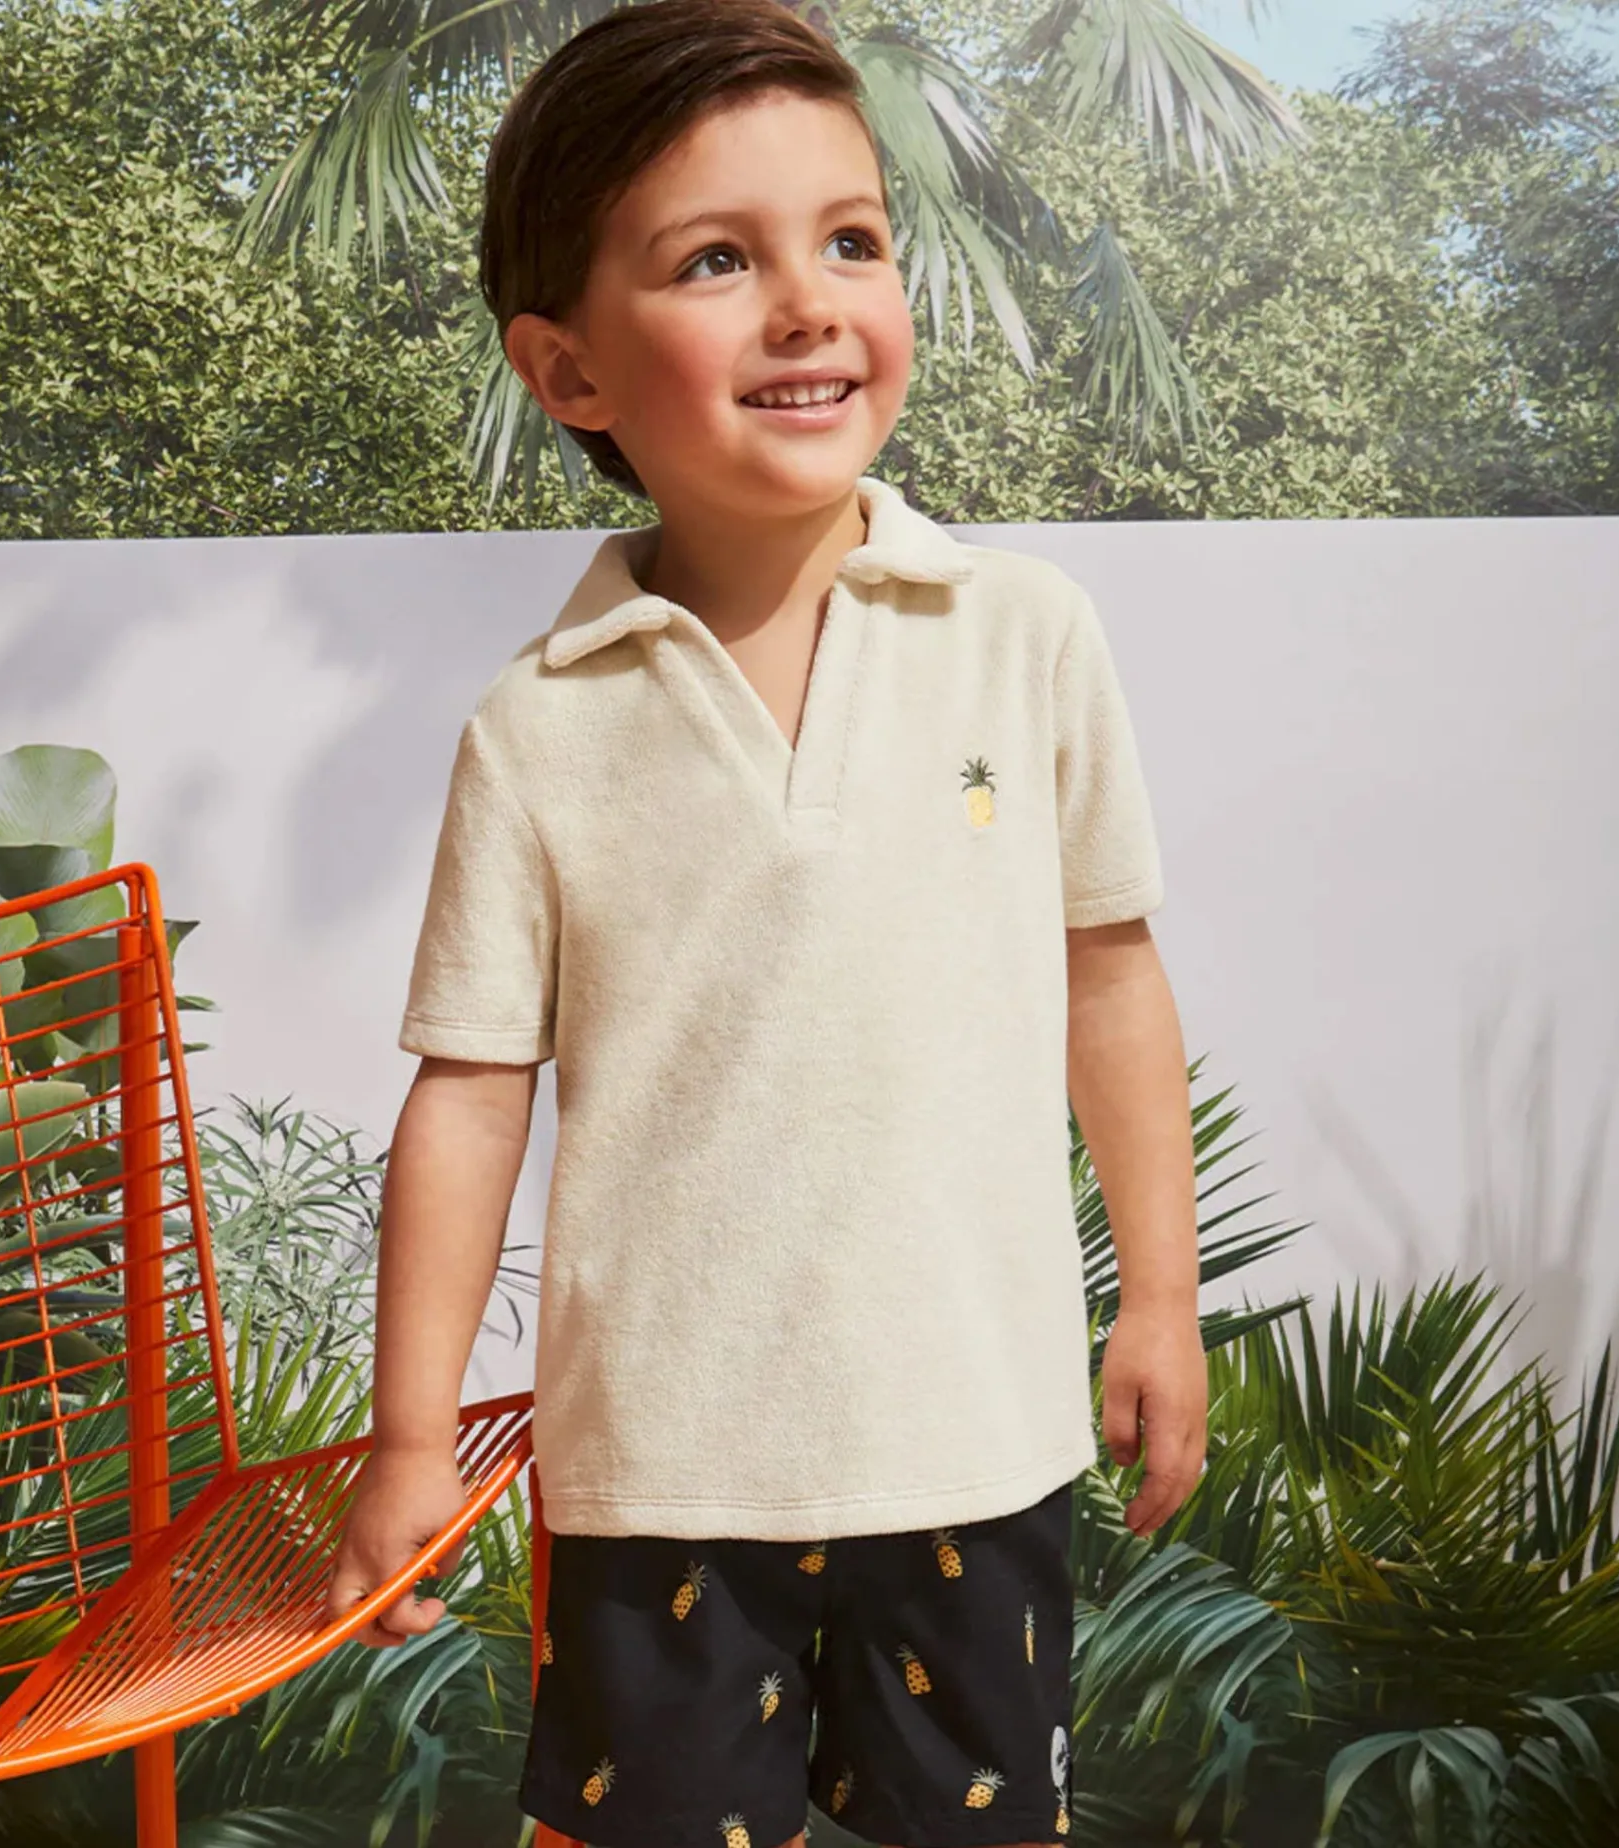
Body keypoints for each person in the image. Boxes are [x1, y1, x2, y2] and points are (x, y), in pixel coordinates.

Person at [324, 3, 1207, 1843]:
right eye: (717, 260)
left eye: (851, 239)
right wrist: (409, 1439)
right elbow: (469, 1095)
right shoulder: (539, 724)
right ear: (568, 370)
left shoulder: (1026, 634)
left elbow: (1108, 979)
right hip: (662, 1472)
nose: (809, 304)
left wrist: (1162, 1302)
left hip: (974, 1438)